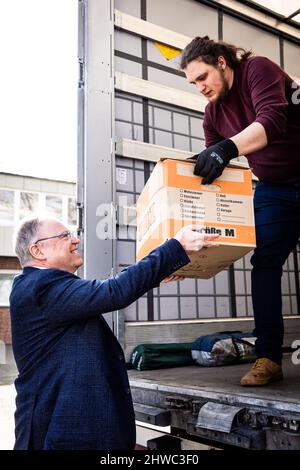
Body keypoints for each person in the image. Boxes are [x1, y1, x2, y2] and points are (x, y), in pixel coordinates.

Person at [10, 216, 219, 450]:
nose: (75, 240)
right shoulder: (40, 287)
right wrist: (176, 247)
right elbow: (114, 291)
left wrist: (157, 274)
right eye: (64, 236)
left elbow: (111, 290)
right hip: (59, 433)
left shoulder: (44, 288)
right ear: (38, 250)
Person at [180, 36, 300, 386]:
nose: (200, 87)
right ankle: (268, 357)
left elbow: (273, 119)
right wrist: (194, 246)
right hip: (274, 190)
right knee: (263, 263)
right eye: (193, 83)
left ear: (221, 62)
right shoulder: (212, 115)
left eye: (203, 77)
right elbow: (218, 176)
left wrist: (226, 148)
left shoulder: (256, 69)